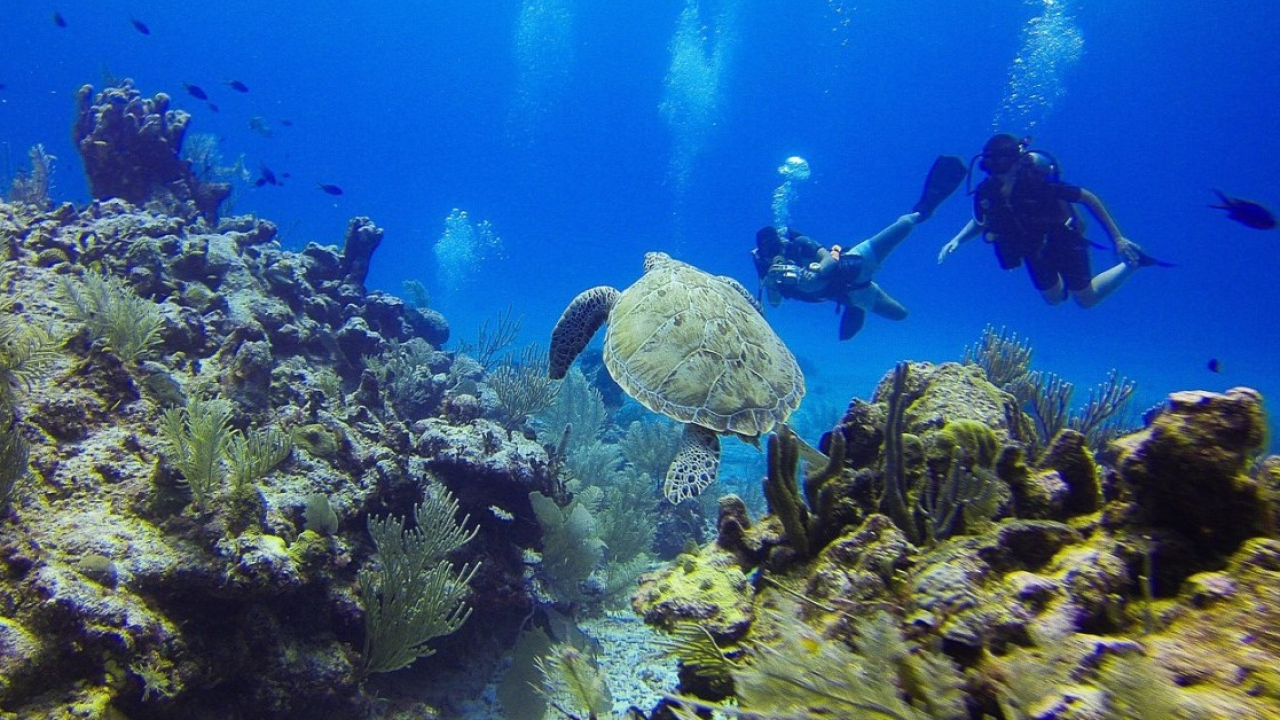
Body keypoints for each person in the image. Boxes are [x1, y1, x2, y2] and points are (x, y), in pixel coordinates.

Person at [937, 134, 1169, 307]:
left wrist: (1118, 239)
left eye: (1004, 166)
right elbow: (982, 220)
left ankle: (1130, 264)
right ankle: (1067, 281)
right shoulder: (988, 190)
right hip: (1031, 248)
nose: (999, 174)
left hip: (1063, 239)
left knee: (1085, 300)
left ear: (1017, 162)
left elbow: (1088, 198)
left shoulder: (1040, 184)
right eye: (991, 167)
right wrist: (956, 240)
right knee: (1053, 299)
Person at [754, 156, 968, 340]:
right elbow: (774, 304)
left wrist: (812, 272)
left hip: (853, 263)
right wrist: (772, 284)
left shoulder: (798, 244)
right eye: (767, 252)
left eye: (775, 247)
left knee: (903, 226)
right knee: (899, 314)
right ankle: (856, 307)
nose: (773, 255)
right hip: (847, 294)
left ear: (782, 242)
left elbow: (829, 260)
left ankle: (925, 207)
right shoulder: (764, 269)